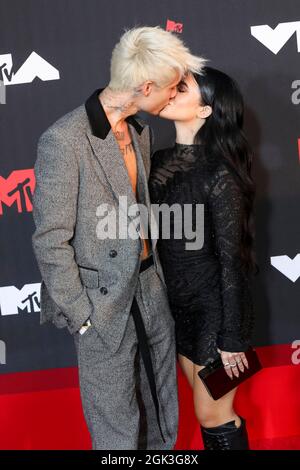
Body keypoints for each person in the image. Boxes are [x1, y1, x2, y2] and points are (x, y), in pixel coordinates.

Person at [31, 26, 206, 450]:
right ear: (145, 86)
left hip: (149, 286)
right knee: (117, 431)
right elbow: (50, 240)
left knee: (164, 412)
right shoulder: (64, 140)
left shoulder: (141, 132)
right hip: (100, 303)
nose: (173, 96)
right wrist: (83, 315)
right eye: (170, 88)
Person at [149, 67, 258, 450]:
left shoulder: (221, 173)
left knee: (212, 415)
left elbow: (232, 262)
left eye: (183, 88)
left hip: (218, 312)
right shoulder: (158, 161)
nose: (171, 92)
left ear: (206, 110)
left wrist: (231, 336)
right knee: (204, 412)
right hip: (179, 312)